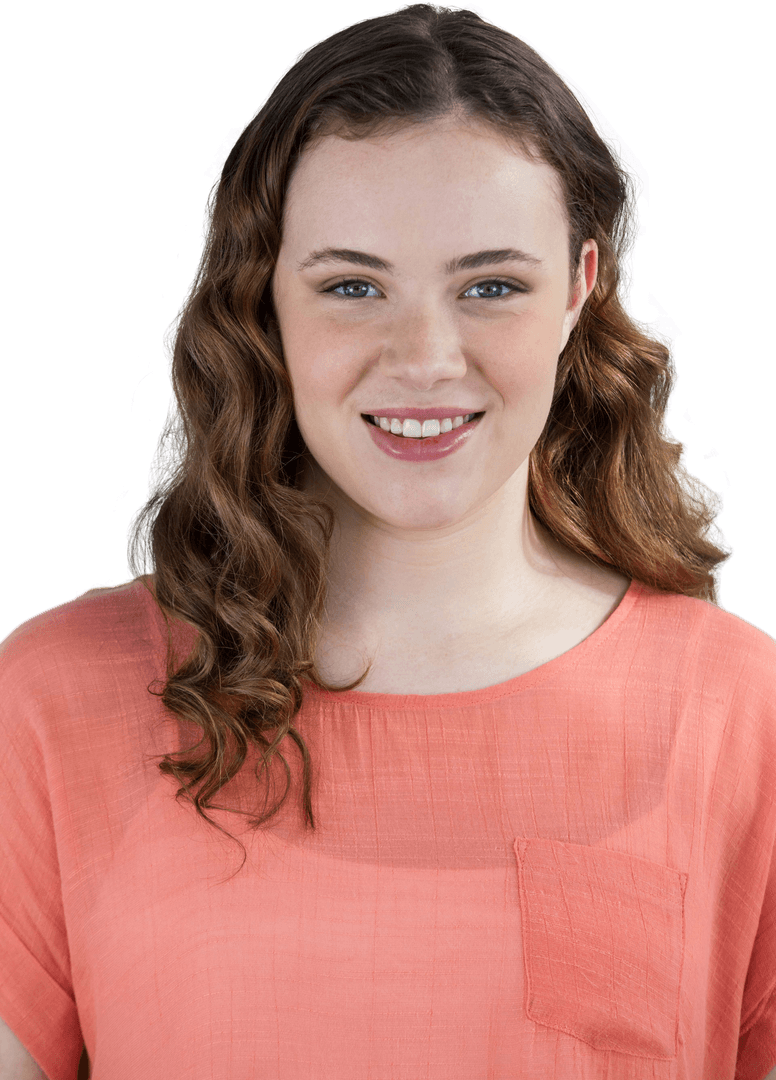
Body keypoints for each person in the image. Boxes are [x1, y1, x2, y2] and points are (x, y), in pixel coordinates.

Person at [1, 5, 774, 1079]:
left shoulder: (745, 719)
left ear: (578, 292)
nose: (423, 358)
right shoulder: (49, 704)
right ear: (266, 300)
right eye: (352, 286)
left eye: (490, 286)